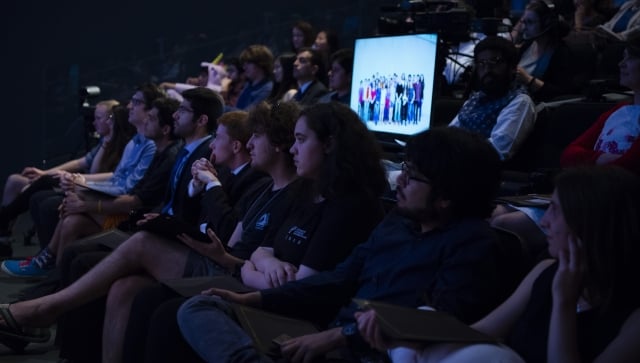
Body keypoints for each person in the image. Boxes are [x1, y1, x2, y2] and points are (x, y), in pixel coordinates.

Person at [173, 127, 512, 363]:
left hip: (364, 352)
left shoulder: (474, 245)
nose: (401, 181)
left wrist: (339, 337)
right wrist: (254, 298)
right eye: (404, 168)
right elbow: (338, 278)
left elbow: (435, 325)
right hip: (328, 330)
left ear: (446, 197)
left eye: (413, 174)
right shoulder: (397, 222)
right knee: (200, 308)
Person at [358, 166, 640, 363]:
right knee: (426, 318)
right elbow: (479, 332)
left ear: (590, 224)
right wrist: (406, 333)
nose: (544, 223)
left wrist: (564, 302)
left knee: (490, 357)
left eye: (555, 210)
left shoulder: (633, 318)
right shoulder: (544, 271)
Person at [492, 35, 640, 256]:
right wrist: (601, 160)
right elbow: (568, 155)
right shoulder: (617, 111)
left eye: (629, 59)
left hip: (610, 205)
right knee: (493, 213)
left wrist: (591, 158)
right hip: (583, 195)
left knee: (504, 225)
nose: (620, 64)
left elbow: (627, 167)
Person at [1, 98, 182, 277]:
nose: (130, 107)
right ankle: (52, 276)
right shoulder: (145, 144)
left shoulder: (157, 151)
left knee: (57, 198)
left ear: (165, 129)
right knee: (69, 218)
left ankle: (44, 260)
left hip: (132, 217)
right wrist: (79, 185)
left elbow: (133, 197)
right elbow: (112, 176)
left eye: (137, 104)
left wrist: (84, 198)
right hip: (123, 204)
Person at [0, 100, 129, 256]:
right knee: (16, 180)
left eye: (99, 118)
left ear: (112, 120)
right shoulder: (104, 140)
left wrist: (74, 176)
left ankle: (5, 219)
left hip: (89, 189)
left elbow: (101, 173)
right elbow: (80, 162)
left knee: (44, 191)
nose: (94, 123)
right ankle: (4, 237)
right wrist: (43, 172)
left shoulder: (122, 145)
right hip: (79, 182)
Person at [449, 36, 536, 161]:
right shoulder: (475, 99)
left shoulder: (520, 101)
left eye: (495, 62)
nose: (487, 69)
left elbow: (497, 151)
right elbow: (449, 135)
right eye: (481, 63)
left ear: (512, 67)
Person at [512, 0, 574, 101]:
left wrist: (529, 80)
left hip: (537, 105)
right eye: (523, 22)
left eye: (530, 22)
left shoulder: (560, 52)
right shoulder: (526, 45)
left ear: (546, 23)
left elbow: (561, 92)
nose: (524, 27)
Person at [235, 44, 274, 110]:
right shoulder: (248, 85)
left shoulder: (268, 89)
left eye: (249, 63)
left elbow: (247, 115)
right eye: (244, 64)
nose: (244, 67)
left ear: (261, 64)